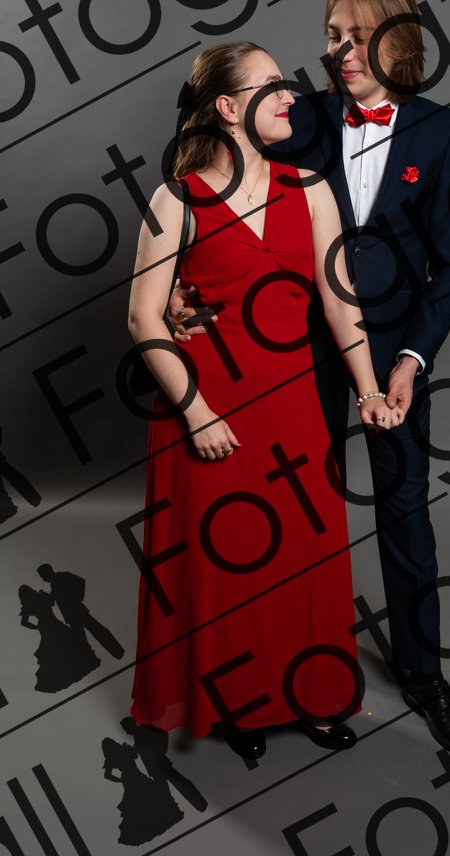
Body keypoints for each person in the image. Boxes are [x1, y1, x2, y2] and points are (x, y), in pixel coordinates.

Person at [172, 0, 450, 756]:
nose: (340, 51)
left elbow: (449, 268)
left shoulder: (442, 132)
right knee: (290, 508)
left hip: (392, 352)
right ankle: (269, 674)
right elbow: (208, 155)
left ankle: (424, 675)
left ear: (399, 39)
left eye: (358, 35)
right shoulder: (300, 113)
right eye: (333, 35)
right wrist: (177, 280)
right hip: (290, 348)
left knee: (404, 509)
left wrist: (411, 361)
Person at [127, 41, 396, 761]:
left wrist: (369, 390)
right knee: (229, 560)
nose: (289, 96)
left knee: (303, 554)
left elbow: (341, 304)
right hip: (205, 405)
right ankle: (236, 704)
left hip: (291, 402)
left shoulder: (309, 188)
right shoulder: (177, 198)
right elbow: (144, 317)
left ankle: (310, 694)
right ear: (227, 106)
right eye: (271, 85)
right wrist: (197, 413)